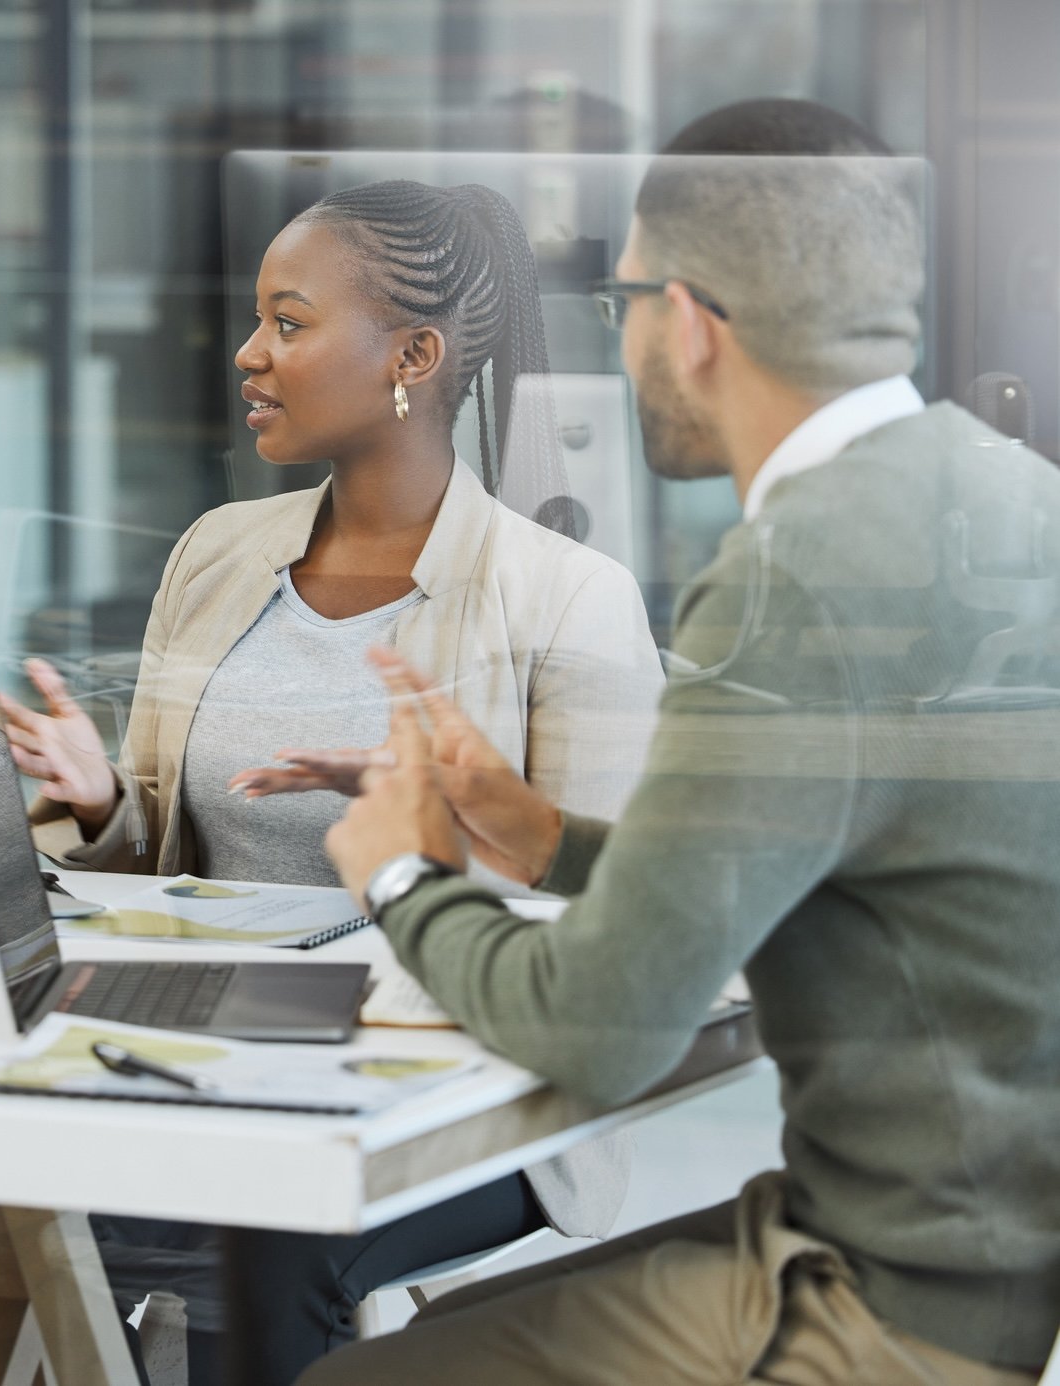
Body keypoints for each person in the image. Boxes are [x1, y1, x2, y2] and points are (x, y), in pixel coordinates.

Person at [311, 98, 1060, 1385]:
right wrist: (546, 840)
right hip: (986, 1256)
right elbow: (842, 846)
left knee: (354, 1380)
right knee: (440, 1342)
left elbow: (603, 1030)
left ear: (693, 320)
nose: (625, 342)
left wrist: (400, 875)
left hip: (890, 1304)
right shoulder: (1008, 493)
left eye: (624, 305)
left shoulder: (792, 580)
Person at [2, 180, 663, 1384]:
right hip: (213, 1058)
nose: (249, 356)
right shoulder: (217, 554)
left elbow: (608, 922)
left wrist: (440, 830)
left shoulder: (569, 596)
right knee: (32, 1197)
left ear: (411, 355)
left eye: (289, 324)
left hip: (472, 1089)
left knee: (266, 1241)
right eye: (256, 322)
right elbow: (173, 859)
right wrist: (100, 804)